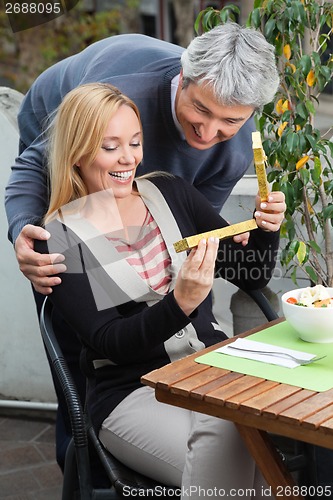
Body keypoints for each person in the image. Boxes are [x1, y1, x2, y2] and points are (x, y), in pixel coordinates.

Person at [5, 22, 281, 470]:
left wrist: (260, 232)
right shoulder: (116, 97)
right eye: (201, 112)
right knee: (82, 349)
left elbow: (191, 240)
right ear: (183, 79)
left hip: (194, 361)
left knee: (159, 264)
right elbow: (36, 167)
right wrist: (24, 229)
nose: (209, 133)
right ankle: (84, 467)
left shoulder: (213, 161)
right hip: (59, 124)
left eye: (230, 121)